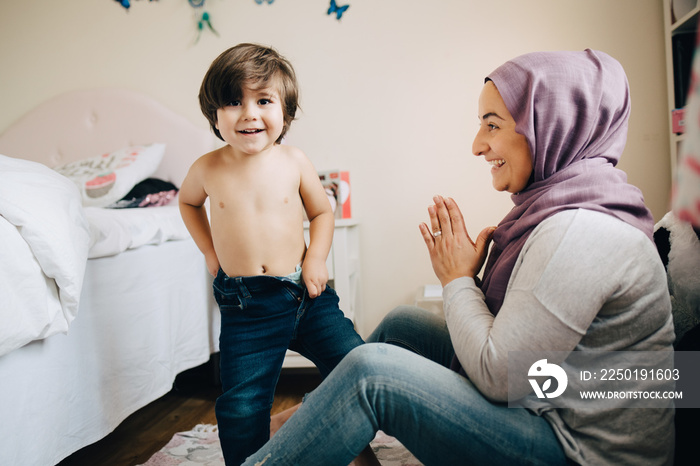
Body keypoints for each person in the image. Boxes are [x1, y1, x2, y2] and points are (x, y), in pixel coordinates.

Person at [242, 49, 676, 466]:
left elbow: (499, 377)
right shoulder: (568, 208)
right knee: (402, 326)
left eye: (493, 125)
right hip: (546, 401)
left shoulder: (580, 233)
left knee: (371, 372)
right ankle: (308, 422)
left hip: (575, 450)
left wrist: (456, 279)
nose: (477, 145)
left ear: (551, 125)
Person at [179, 43, 364, 466]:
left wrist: (316, 258)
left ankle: (329, 429)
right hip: (247, 309)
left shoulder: (294, 160)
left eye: (263, 100)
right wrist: (209, 250)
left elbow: (321, 211)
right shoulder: (207, 167)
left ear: (286, 113)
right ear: (214, 115)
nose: (248, 113)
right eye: (233, 101)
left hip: (306, 295)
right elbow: (187, 204)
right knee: (241, 405)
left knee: (358, 364)